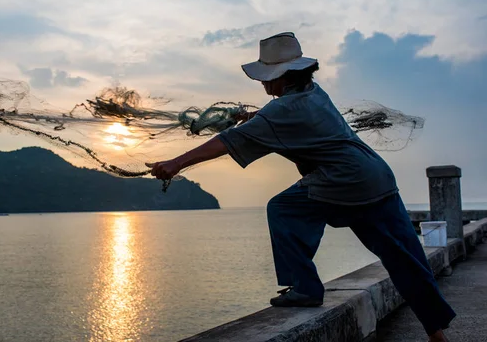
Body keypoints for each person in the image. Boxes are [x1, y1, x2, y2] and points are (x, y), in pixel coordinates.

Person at [146, 32, 455, 342]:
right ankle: (437, 334)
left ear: (286, 76)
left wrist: (175, 163)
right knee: (405, 258)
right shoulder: (315, 93)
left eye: (268, 77)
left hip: (345, 181)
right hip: (378, 178)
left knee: (284, 208)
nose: (263, 85)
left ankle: (305, 287)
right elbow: (282, 118)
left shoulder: (281, 111)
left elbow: (227, 142)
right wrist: (254, 117)